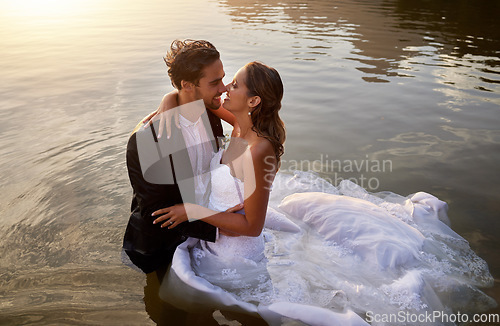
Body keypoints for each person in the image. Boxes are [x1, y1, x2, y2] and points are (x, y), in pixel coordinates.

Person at [145, 61, 496, 325]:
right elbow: (197, 99)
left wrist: (192, 210)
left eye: (233, 85)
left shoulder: (260, 149)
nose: (225, 90)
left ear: (252, 100)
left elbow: (253, 226)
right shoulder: (237, 124)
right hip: (215, 237)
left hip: (236, 258)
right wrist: (166, 102)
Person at [122, 39, 241, 276]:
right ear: (187, 85)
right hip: (163, 249)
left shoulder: (211, 110)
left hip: (208, 231)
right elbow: (157, 213)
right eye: (215, 82)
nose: (224, 88)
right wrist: (219, 227)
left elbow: (243, 125)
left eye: (223, 78)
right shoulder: (148, 139)